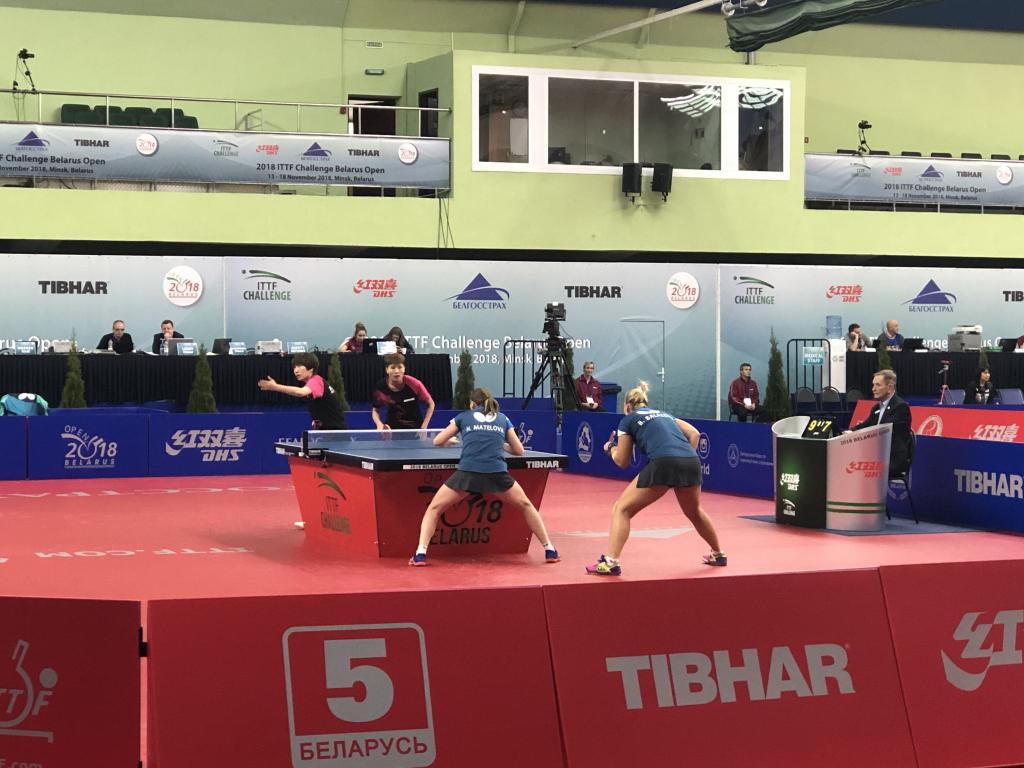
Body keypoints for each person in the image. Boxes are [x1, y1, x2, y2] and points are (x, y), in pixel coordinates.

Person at [585, 381, 726, 576]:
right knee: (694, 511)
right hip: (690, 461)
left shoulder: (628, 420)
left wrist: (610, 448)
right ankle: (718, 554)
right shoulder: (665, 415)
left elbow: (622, 461)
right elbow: (695, 434)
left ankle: (611, 562)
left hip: (663, 462)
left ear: (627, 406)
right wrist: (682, 455)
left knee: (622, 509)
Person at [409, 388, 559, 566]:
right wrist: (499, 443)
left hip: (468, 473)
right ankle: (549, 549)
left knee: (434, 509)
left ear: (472, 404)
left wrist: (449, 442)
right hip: (497, 474)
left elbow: (437, 441)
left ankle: (420, 554)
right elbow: (519, 450)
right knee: (526, 505)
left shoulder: (463, 417)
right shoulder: (503, 418)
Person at [257, 351, 347, 429]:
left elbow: (300, 392)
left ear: (311, 369)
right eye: (294, 367)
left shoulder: (316, 381)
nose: (296, 370)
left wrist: (275, 387)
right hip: (328, 432)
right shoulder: (314, 382)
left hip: (335, 434)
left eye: (300, 366)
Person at [850, 368, 913, 477]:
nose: (873, 389)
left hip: (893, 458)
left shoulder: (900, 407)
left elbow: (883, 431)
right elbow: (867, 424)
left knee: (855, 468)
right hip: (877, 454)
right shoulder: (876, 408)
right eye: (873, 385)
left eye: (878, 385)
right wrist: (850, 432)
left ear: (889, 388)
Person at [372, 353, 434, 430]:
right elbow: (375, 410)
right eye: (393, 367)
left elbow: (431, 404)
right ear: (387, 370)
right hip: (392, 429)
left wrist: (424, 427)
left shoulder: (414, 384)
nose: (396, 371)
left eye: (400, 367)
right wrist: (379, 424)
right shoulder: (381, 387)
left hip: (415, 428)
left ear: (404, 369)